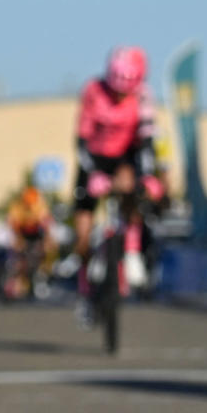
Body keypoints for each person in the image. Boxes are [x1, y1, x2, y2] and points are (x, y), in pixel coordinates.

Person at [71, 46, 165, 323]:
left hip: (125, 157)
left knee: (130, 186)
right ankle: (85, 291)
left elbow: (147, 141)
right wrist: (92, 173)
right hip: (94, 159)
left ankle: (132, 251)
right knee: (83, 234)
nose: (120, 95)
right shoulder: (92, 91)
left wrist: (148, 176)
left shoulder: (145, 96)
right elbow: (81, 140)